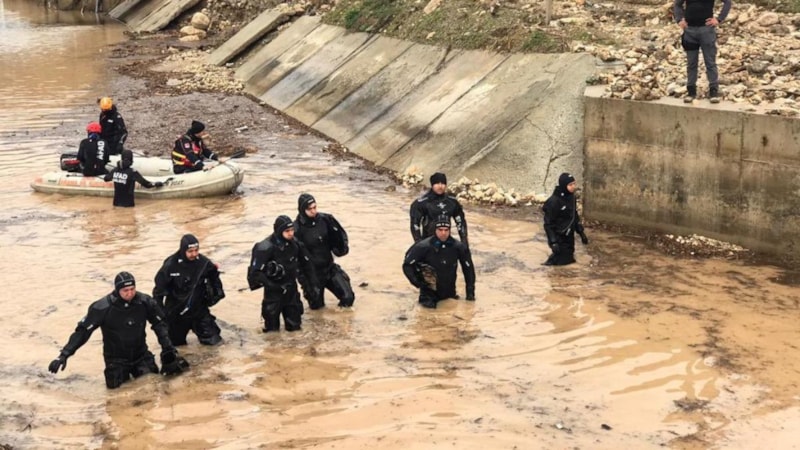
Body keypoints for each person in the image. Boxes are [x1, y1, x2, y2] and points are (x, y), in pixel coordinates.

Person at [47, 272, 189, 389]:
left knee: (152, 388)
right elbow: (83, 332)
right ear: (117, 289)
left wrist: (168, 348)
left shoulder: (145, 302)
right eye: (125, 290)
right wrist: (64, 355)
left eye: (132, 289)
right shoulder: (102, 308)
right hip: (116, 361)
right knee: (116, 395)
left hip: (141, 356)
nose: (130, 293)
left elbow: (159, 324)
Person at [247, 215, 320, 332]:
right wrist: (274, 286)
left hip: (291, 290)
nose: (291, 233)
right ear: (279, 231)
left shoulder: (295, 244)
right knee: (272, 332)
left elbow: (307, 265)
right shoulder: (264, 248)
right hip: (273, 294)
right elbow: (255, 274)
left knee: (295, 328)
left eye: (292, 230)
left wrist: (313, 285)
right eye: (287, 231)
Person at [153, 234, 225, 346]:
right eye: (190, 251)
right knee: (176, 346)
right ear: (183, 250)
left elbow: (215, 279)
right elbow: (158, 292)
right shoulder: (171, 265)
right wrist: (161, 314)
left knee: (216, 343)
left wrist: (214, 297)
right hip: (176, 312)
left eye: (196, 250)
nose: (194, 254)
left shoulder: (204, 263)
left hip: (199, 310)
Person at [293, 193, 355, 309]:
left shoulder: (326, 220)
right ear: (302, 210)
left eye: (315, 207)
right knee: (317, 308)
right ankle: (320, 326)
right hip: (312, 275)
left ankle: (341, 323)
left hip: (329, 268)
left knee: (348, 297)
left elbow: (340, 236)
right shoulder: (296, 229)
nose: (313, 211)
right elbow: (294, 257)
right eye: (309, 209)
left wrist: (341, 248)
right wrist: (303, 279)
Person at [402, 215, 476, 309]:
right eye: (440, 230)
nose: (443, 233)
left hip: (449, 293)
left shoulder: (458, 247)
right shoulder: (423, 246)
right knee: (428, 317)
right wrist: (418, 283)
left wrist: (470, 295)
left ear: (449, 230)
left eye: (446, 230)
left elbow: (468, 270)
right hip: (428, 294)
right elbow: (407, 265)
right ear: (435, 230)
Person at [674, 0, 731, 103]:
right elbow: (677, 4)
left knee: (710, 62)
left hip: (707, 30)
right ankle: (691, 92)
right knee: (691, 63)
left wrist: (719, 19)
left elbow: (727, 2)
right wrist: (679, 19)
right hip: (689, 30)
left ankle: (713, 92)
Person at [410, 172, 469, 247]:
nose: (440, 186)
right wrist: (419, 244)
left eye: (443, 183)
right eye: (437, 183)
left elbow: (461, 223)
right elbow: (415, 224)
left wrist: (464, 244)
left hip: (446, 243)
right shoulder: (422, 203)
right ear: (432, 185)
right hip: (427, 243)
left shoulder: (452, 202)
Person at [542, 173, 589, 266]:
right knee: (561, 262)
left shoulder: (571, 197)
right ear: (564, 185)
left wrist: (581, 233)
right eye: (570, 185)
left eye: (574, 184)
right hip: (559, 236)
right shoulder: (554, 201)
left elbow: (574, 216)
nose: (573, 187)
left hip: (569, 236)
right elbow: (548, 224)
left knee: (570, 260)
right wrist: (553, 242)